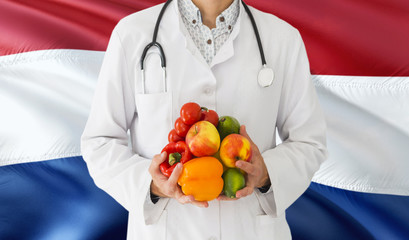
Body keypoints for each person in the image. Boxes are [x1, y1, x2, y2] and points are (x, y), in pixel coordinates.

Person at [81, 0, 327, 239]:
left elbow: (309, 142)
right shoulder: (132, 34)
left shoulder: (282, 39)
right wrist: (152, 186)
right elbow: (100, 142)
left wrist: (266, 175)